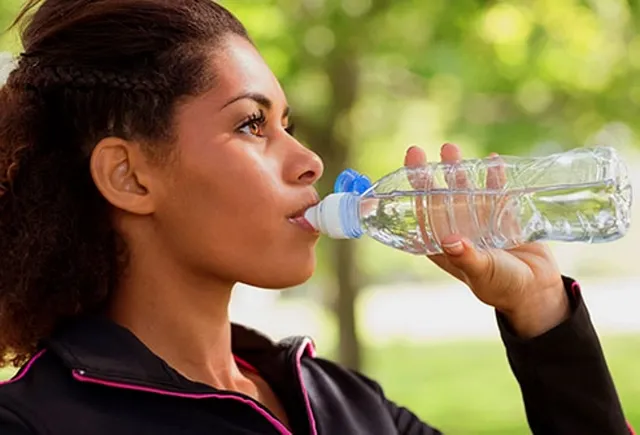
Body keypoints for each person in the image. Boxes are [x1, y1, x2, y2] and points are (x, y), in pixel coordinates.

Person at [0, 1, 633, 434]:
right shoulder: (35, 422)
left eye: (289, 124)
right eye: (252, 124)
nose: (309, 161)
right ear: (129, 176)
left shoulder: (344, 405)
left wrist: (543, 310)